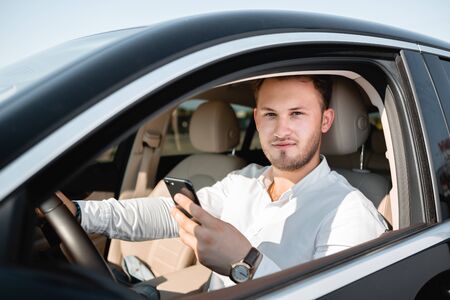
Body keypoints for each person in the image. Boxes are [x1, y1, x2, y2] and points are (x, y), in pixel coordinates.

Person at [64, 75, 387, 291]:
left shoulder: (349, 212)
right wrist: (79, 213)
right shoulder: (242, 181)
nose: (281, 130)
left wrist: (246, 262)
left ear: (326, 120)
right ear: (257, 118)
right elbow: (172, 213)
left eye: (298, 114)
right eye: (271, 115)